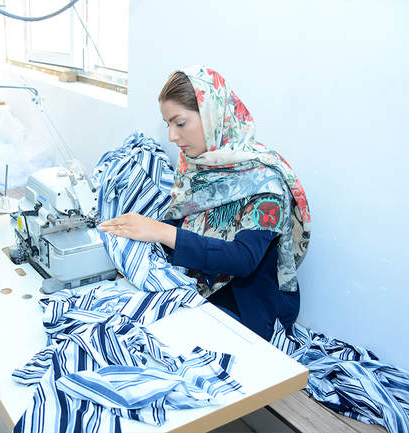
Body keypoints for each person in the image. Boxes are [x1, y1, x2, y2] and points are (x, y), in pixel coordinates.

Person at [98, 66, 311, 340]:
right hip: (203, 293)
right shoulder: (199, 168)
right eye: (168, 125)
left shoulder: (266, 181)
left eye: (180, 123)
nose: (172, 136)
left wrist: (159, 231)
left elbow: (243, 259)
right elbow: (182, 220)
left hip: (248, 313)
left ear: (212, 117)